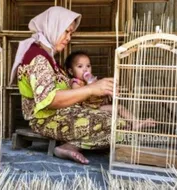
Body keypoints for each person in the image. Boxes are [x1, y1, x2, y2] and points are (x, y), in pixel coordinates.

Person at [9, 6, 127, 165]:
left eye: (70, 33)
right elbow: (50, 100)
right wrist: (91, 88)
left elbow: (68, 94)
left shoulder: (47, 57)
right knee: (119, 126)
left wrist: (97, 90)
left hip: (65, 114)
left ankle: (69, 146)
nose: (68, 38)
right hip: (46, 120)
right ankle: (70, 146)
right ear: (53, 26)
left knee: (119, 120)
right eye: (66, 31)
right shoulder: (37, 58)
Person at [65, 51, 156, 130]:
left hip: (97, 107)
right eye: (80, 66)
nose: (85, 69)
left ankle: (135, 122)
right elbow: (77, 96)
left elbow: (101, 91)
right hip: (86, 110)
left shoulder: (91, 80)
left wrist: (106, 93)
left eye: (88, 66)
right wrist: (90, 87)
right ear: (71, 71)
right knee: (113, 115)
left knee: (119, 108)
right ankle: (131, 125)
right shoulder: (76, 82)